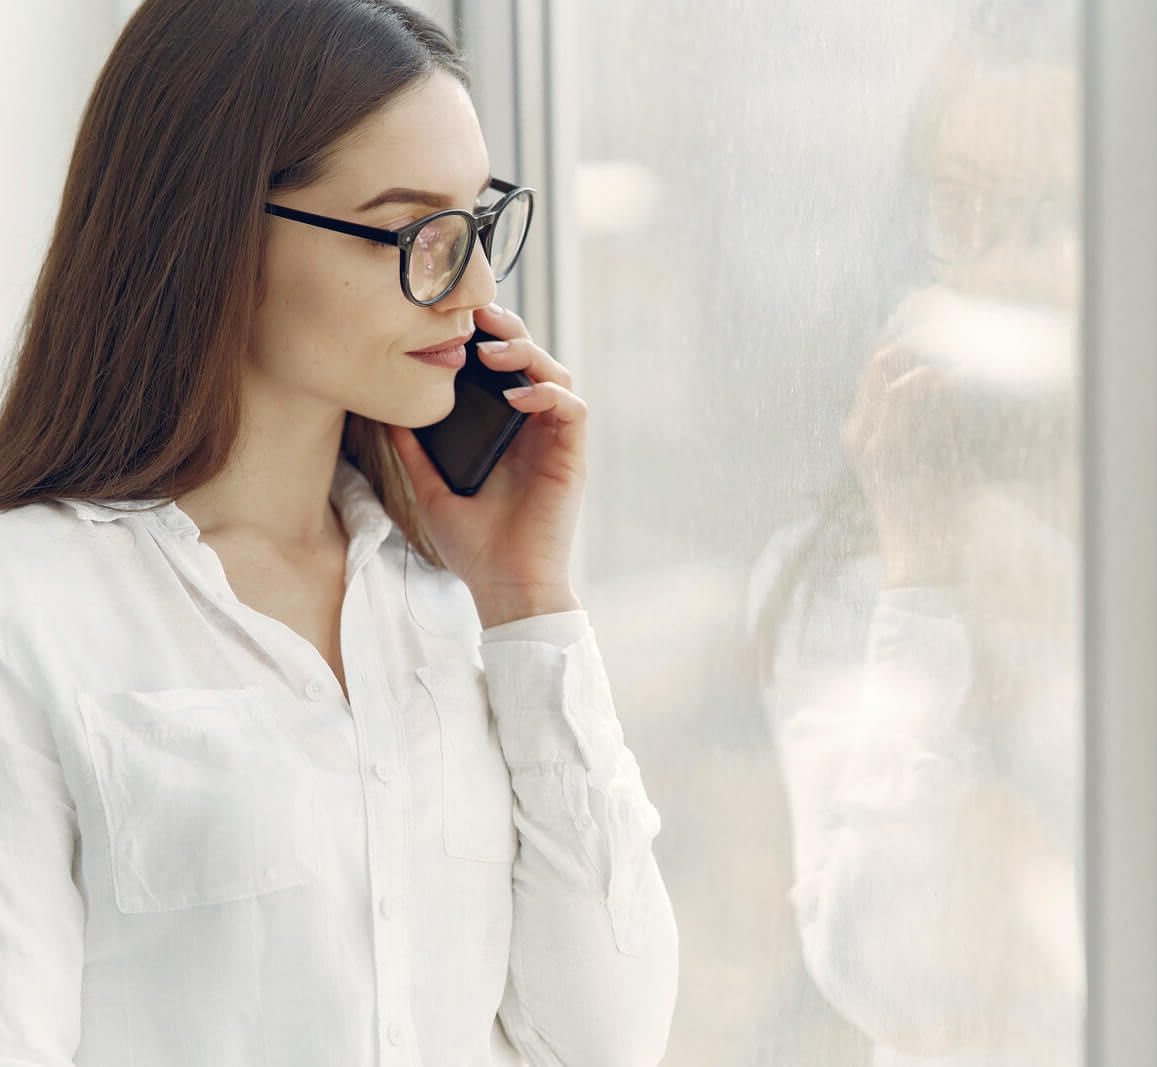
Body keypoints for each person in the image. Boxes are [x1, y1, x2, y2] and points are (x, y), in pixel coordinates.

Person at [0, 2, 677, 1065]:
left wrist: (528, 601)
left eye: (479, 225)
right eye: (416, 234)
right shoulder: (31, 611)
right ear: (217, 226)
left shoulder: (456, 603)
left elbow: (603, 1040)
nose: (476, 291)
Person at [746, 2, 1082, 1064]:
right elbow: (881, 964)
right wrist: (923, 578)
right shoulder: (845, 576)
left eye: (1052, 214)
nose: (996, 264)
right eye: (961, 205)